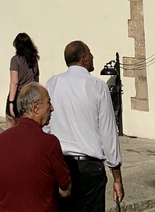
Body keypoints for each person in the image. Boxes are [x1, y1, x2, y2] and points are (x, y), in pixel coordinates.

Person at [46, 40, 124, 211]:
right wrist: (117, 178)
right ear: (84, 59)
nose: (93, 56)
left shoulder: (52, 84)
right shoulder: (98, 87)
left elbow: (46, 128)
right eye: (90, 52)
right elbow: (108, 134)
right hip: (89, 168)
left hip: (60, 165)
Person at [0, 82, 71, 212]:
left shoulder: (3, 138)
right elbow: (65, 190)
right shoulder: (49, 143)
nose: (52, 108)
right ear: (35, 107)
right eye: (48, 102)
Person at [6, 32, 40, 127]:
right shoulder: (34, 60)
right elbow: (36, 79)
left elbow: (14, 82)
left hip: (18, 96)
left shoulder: (15, 60)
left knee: (12, 127)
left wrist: (11, 102)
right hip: (31, 96)